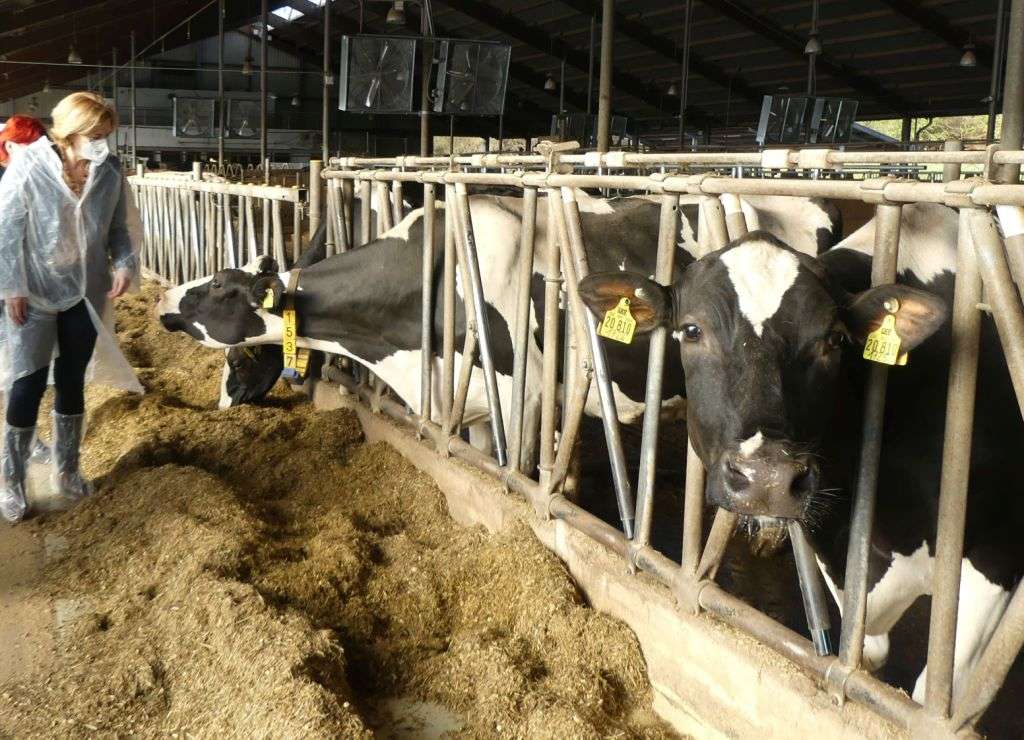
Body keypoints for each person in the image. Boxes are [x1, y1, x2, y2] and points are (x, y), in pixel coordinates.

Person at [0, 93, 143, 523]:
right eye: (94, 135)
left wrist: (124, 263)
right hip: (34, 292)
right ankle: (12, 480)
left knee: (72, 379)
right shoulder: (30, 166)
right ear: (69, 131)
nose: (101, 143)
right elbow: (7, 229)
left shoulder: (109, 170)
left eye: (105, 135)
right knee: (27, 381)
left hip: (85, 290)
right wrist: (12, 286)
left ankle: (67, 470)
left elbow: (118, 228)